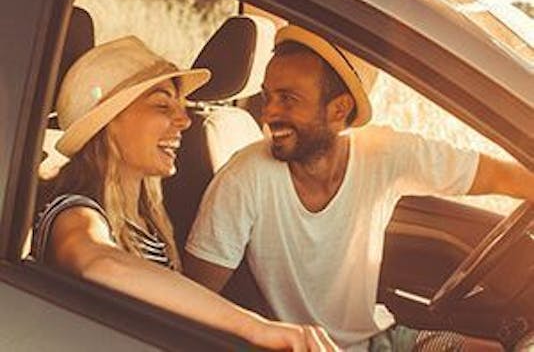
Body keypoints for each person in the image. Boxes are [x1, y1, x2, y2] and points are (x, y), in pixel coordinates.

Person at [183, 25, 534, 351]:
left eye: (288, 99)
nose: (269, 112)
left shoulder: (385, 153)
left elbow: (498, 176)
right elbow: (192, 302)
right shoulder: (243, 179)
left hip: (384, 337)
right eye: (268, 96)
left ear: (339, 110)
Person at [32, 35, 337, 352]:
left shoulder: (146, 221)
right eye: (163, 105)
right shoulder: (73, 211)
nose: (184, 120)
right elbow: (97, 263)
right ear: (109, 122)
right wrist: (255, 327)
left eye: (181, 107)